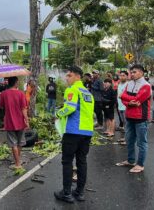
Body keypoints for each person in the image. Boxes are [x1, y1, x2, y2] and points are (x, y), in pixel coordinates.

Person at [54, 65, 94, 203]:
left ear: (78, 76)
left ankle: (66, 193)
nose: (67, 78)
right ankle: (79, 192)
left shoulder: (72, 89)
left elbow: (70, 108)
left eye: (69, 75)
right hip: (87, 132)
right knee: (82, 162)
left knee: (67, 162)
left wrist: (58, 114)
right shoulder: (87, 92)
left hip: (73, 131)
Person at [116, 64, 151, 173]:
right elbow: (123, 98)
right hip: (129, 116)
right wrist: (127, 101)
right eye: (131, 72)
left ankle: (140, 164)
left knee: (141, 142)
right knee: (129, 140)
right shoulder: (129, 83)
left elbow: (136, 100)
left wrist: (124, 97)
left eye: (134, 72)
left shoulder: (146, 85)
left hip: (141, 118)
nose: (132, 74)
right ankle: (131, 160)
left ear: (141, 72)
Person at [0, 77, 29, 169]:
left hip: (9, 121)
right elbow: (24, 108)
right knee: (19, 142)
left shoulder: (3, 94)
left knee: (13, 143)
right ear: (16, 82)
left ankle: (17, 163)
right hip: (20, 121)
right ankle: (17, 161)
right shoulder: (21, 93)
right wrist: (27, 120)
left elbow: (1, 106)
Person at [116, 71, 129, 142]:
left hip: (126, 107)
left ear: (127, 76)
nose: (121, 77)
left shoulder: (128, 85)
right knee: (124, 123)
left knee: (127, 124)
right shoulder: (119, 84)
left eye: (123, 75)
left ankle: (127, 139)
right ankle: (126, 138)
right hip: (120, 106)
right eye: (120, 76)